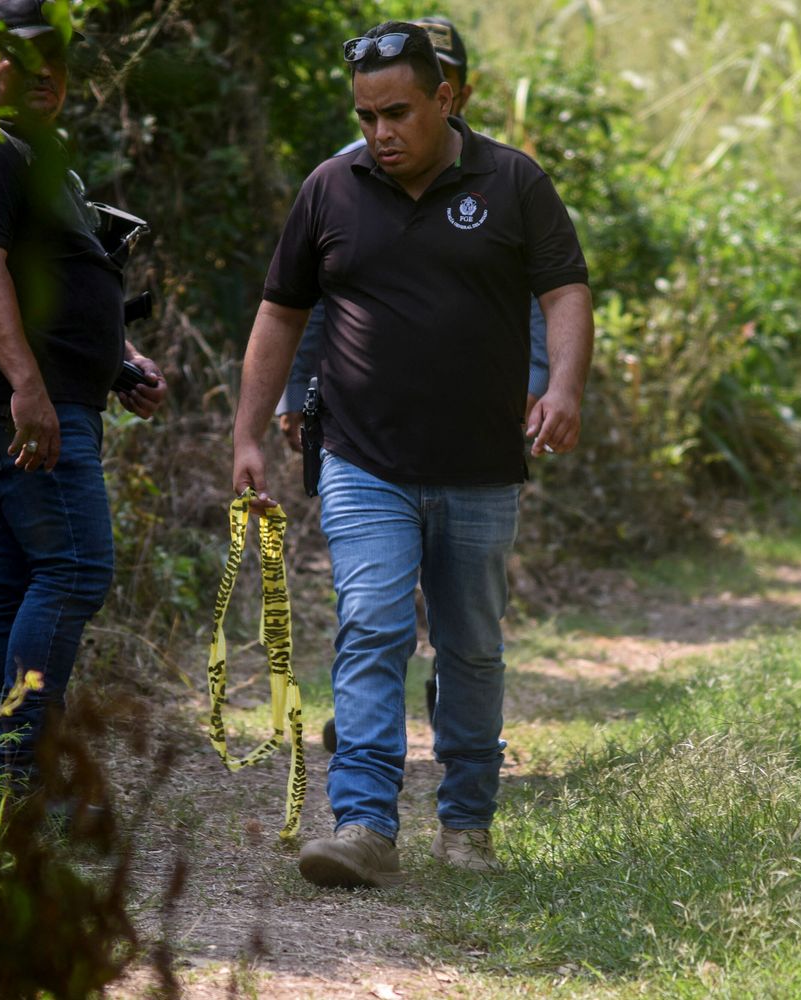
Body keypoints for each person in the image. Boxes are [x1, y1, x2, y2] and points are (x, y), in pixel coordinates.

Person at [231, 21, 593, 887]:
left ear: (447, 97)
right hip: (363, 460)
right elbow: (280, 314)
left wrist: (566, 387)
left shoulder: (513, 182)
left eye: (397, 112)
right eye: (365, 116)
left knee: (469, 645)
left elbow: (565, 290)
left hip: (479, 466)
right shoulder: (331, 188)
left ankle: (467, 824)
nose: (380, 133)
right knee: (372, 626)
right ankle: (363, 824)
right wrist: (247, 429)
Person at [0, 0, 167, 783]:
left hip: (31, 396)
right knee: (75, 569)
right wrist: (29, 387)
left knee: (9, 576)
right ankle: (20, 770)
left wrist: (118, 359)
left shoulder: (24, 153)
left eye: (57, 62)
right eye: (25, 60)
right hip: (17, 402)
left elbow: (50, 280)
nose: (46, 76)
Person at [274, 16, 549, 452]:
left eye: (445, 77)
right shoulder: (343, 178)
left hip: (472, 430)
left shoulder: (501, 177)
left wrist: (537, 378)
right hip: (361, 434)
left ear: (454, 94)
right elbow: (316, 295)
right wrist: (295, 388)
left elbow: (533, 291)